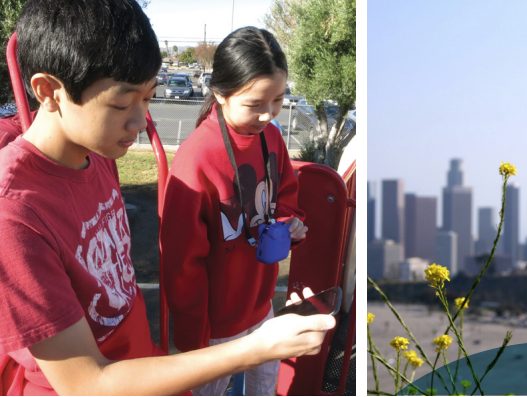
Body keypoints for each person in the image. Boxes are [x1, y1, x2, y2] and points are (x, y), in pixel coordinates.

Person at [0, 1, 334, 396]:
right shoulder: (15, 213)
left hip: (145, 364)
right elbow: (87, 383)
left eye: (149, 98)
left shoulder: (97, 151)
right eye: (122, 103)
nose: (142, 122)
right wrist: (255, 348)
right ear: (49, 91)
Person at [160, 27, 308, 396]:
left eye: (277, 100)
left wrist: (290, 222)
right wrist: (195, 338)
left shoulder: (271, 137)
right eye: (256, 104)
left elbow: (286, 192)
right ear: (220, 94)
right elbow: (180, 262)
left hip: (260, 306)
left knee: (264, 388)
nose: (268, 115)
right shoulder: (197, 158)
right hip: (214, 327)